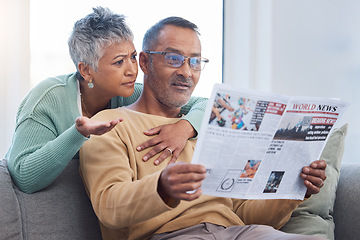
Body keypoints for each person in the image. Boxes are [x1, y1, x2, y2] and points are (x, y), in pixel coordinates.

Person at [80, 16, 327, 240]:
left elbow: (246, 214)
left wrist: (295, 189)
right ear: (145, 62)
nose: (186, 72)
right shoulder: (108, 125)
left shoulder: (207, 127)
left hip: (238, 233)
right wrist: (161, 187)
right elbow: (108, 207)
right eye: (173, 58)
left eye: (195, 62)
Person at [5, 7, 206, 194]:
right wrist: (78, 134)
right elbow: (23, 176)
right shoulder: (47, 99)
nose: (132, 70)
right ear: (86, 70)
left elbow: (206, 104)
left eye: (133, 57)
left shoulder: (131, 92)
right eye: (119, 62)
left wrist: (185, 127)